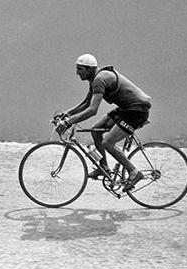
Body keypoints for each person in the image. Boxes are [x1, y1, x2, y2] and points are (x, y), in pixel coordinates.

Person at [55, 53, 152, 191]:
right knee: (96, 131)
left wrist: (69, 122)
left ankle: (134, 172)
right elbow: (86, 103)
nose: (77, 73)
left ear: (89, 69)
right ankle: (104, 167)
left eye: (79, 69)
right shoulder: (95, 79)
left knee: (108, 142)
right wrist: (68, 113)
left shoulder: (100, 80)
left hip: (137, 110)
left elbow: (92, 110)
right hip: (126, 109)